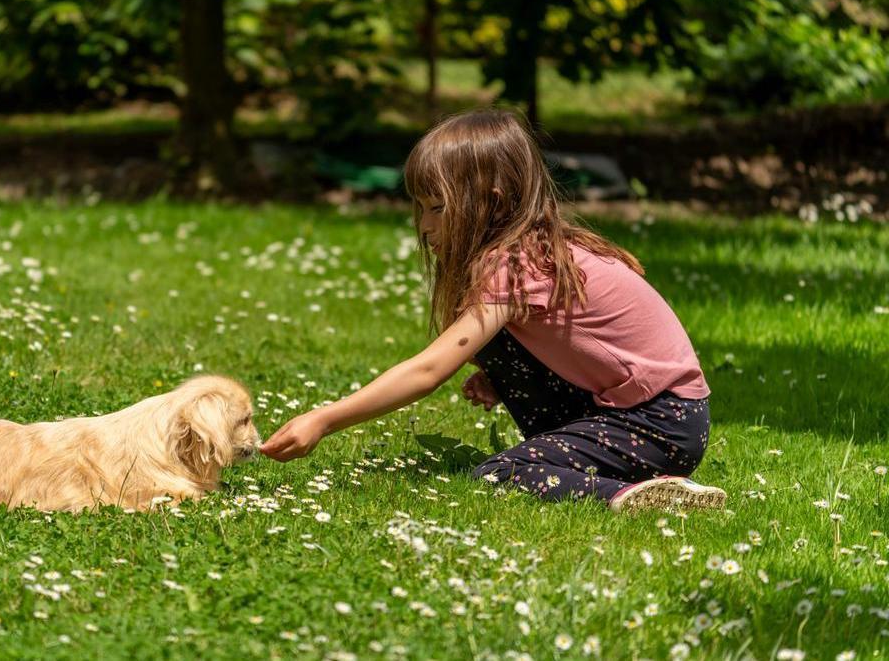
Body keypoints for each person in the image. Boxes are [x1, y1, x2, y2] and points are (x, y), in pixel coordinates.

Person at [258, 110, 727, 512]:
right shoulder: (532, 250)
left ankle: (627, 495)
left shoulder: (514, 263)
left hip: (660, 422)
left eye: (436, 208)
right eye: (419, 208)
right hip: (661, 416)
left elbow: (427, 370)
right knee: (492, 340)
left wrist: (324, 419)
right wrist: (507, 377)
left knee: (501, 473)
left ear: (491, 203)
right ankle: (602, 468)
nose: (423, 226)